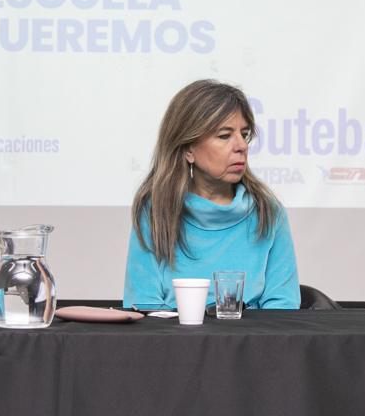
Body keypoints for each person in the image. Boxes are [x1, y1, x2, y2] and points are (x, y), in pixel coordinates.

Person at [124, 79, 300, 310]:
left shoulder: (268, 211)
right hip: (172, 334)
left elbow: (283, 306)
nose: (242, 146)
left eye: (244, 134)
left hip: (253, 334)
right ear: (188, 150)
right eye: (225, 135)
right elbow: (143, 303)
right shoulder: (154, 211)